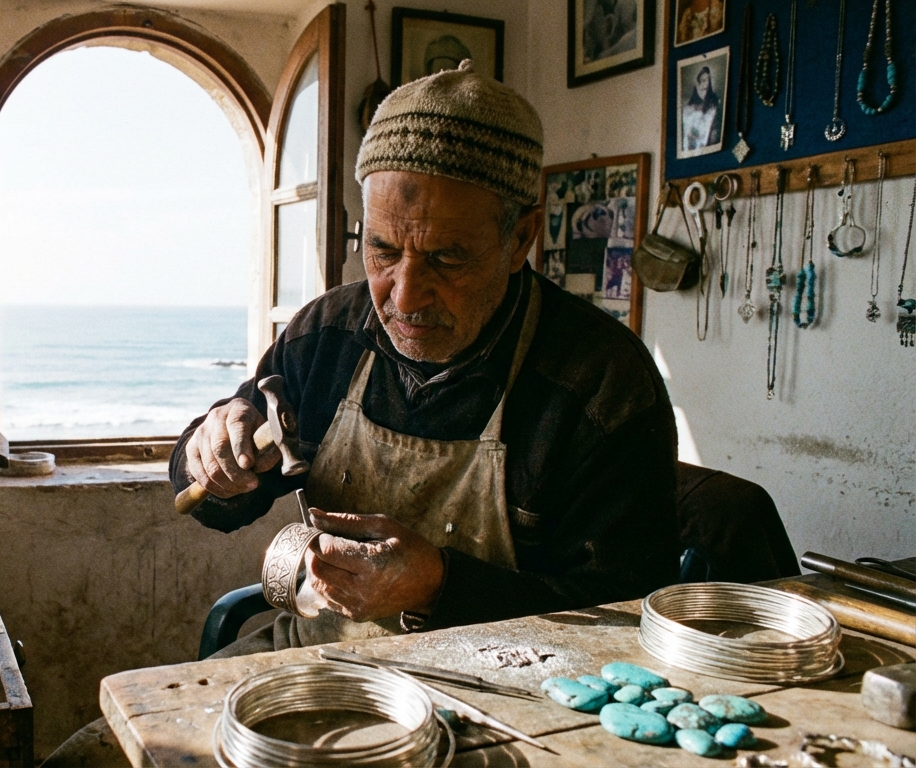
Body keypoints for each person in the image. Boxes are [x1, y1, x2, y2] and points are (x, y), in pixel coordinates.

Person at [45, 58, 680, 768]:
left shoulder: (600, 384)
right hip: (317, 669)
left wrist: (442, 584)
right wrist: (209, 454)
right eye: (382, 249)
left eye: (447, 258)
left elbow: (629, 628)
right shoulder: (328, 336)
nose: (404, 296)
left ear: (521, 239)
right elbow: (218, 504)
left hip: (513, 708)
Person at [681, 66, 721, 153]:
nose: (705, 84)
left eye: (707, 80)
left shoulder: (714, 106)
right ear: (697, 84)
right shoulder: (687, 109)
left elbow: (715, 137)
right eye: (702, 80)